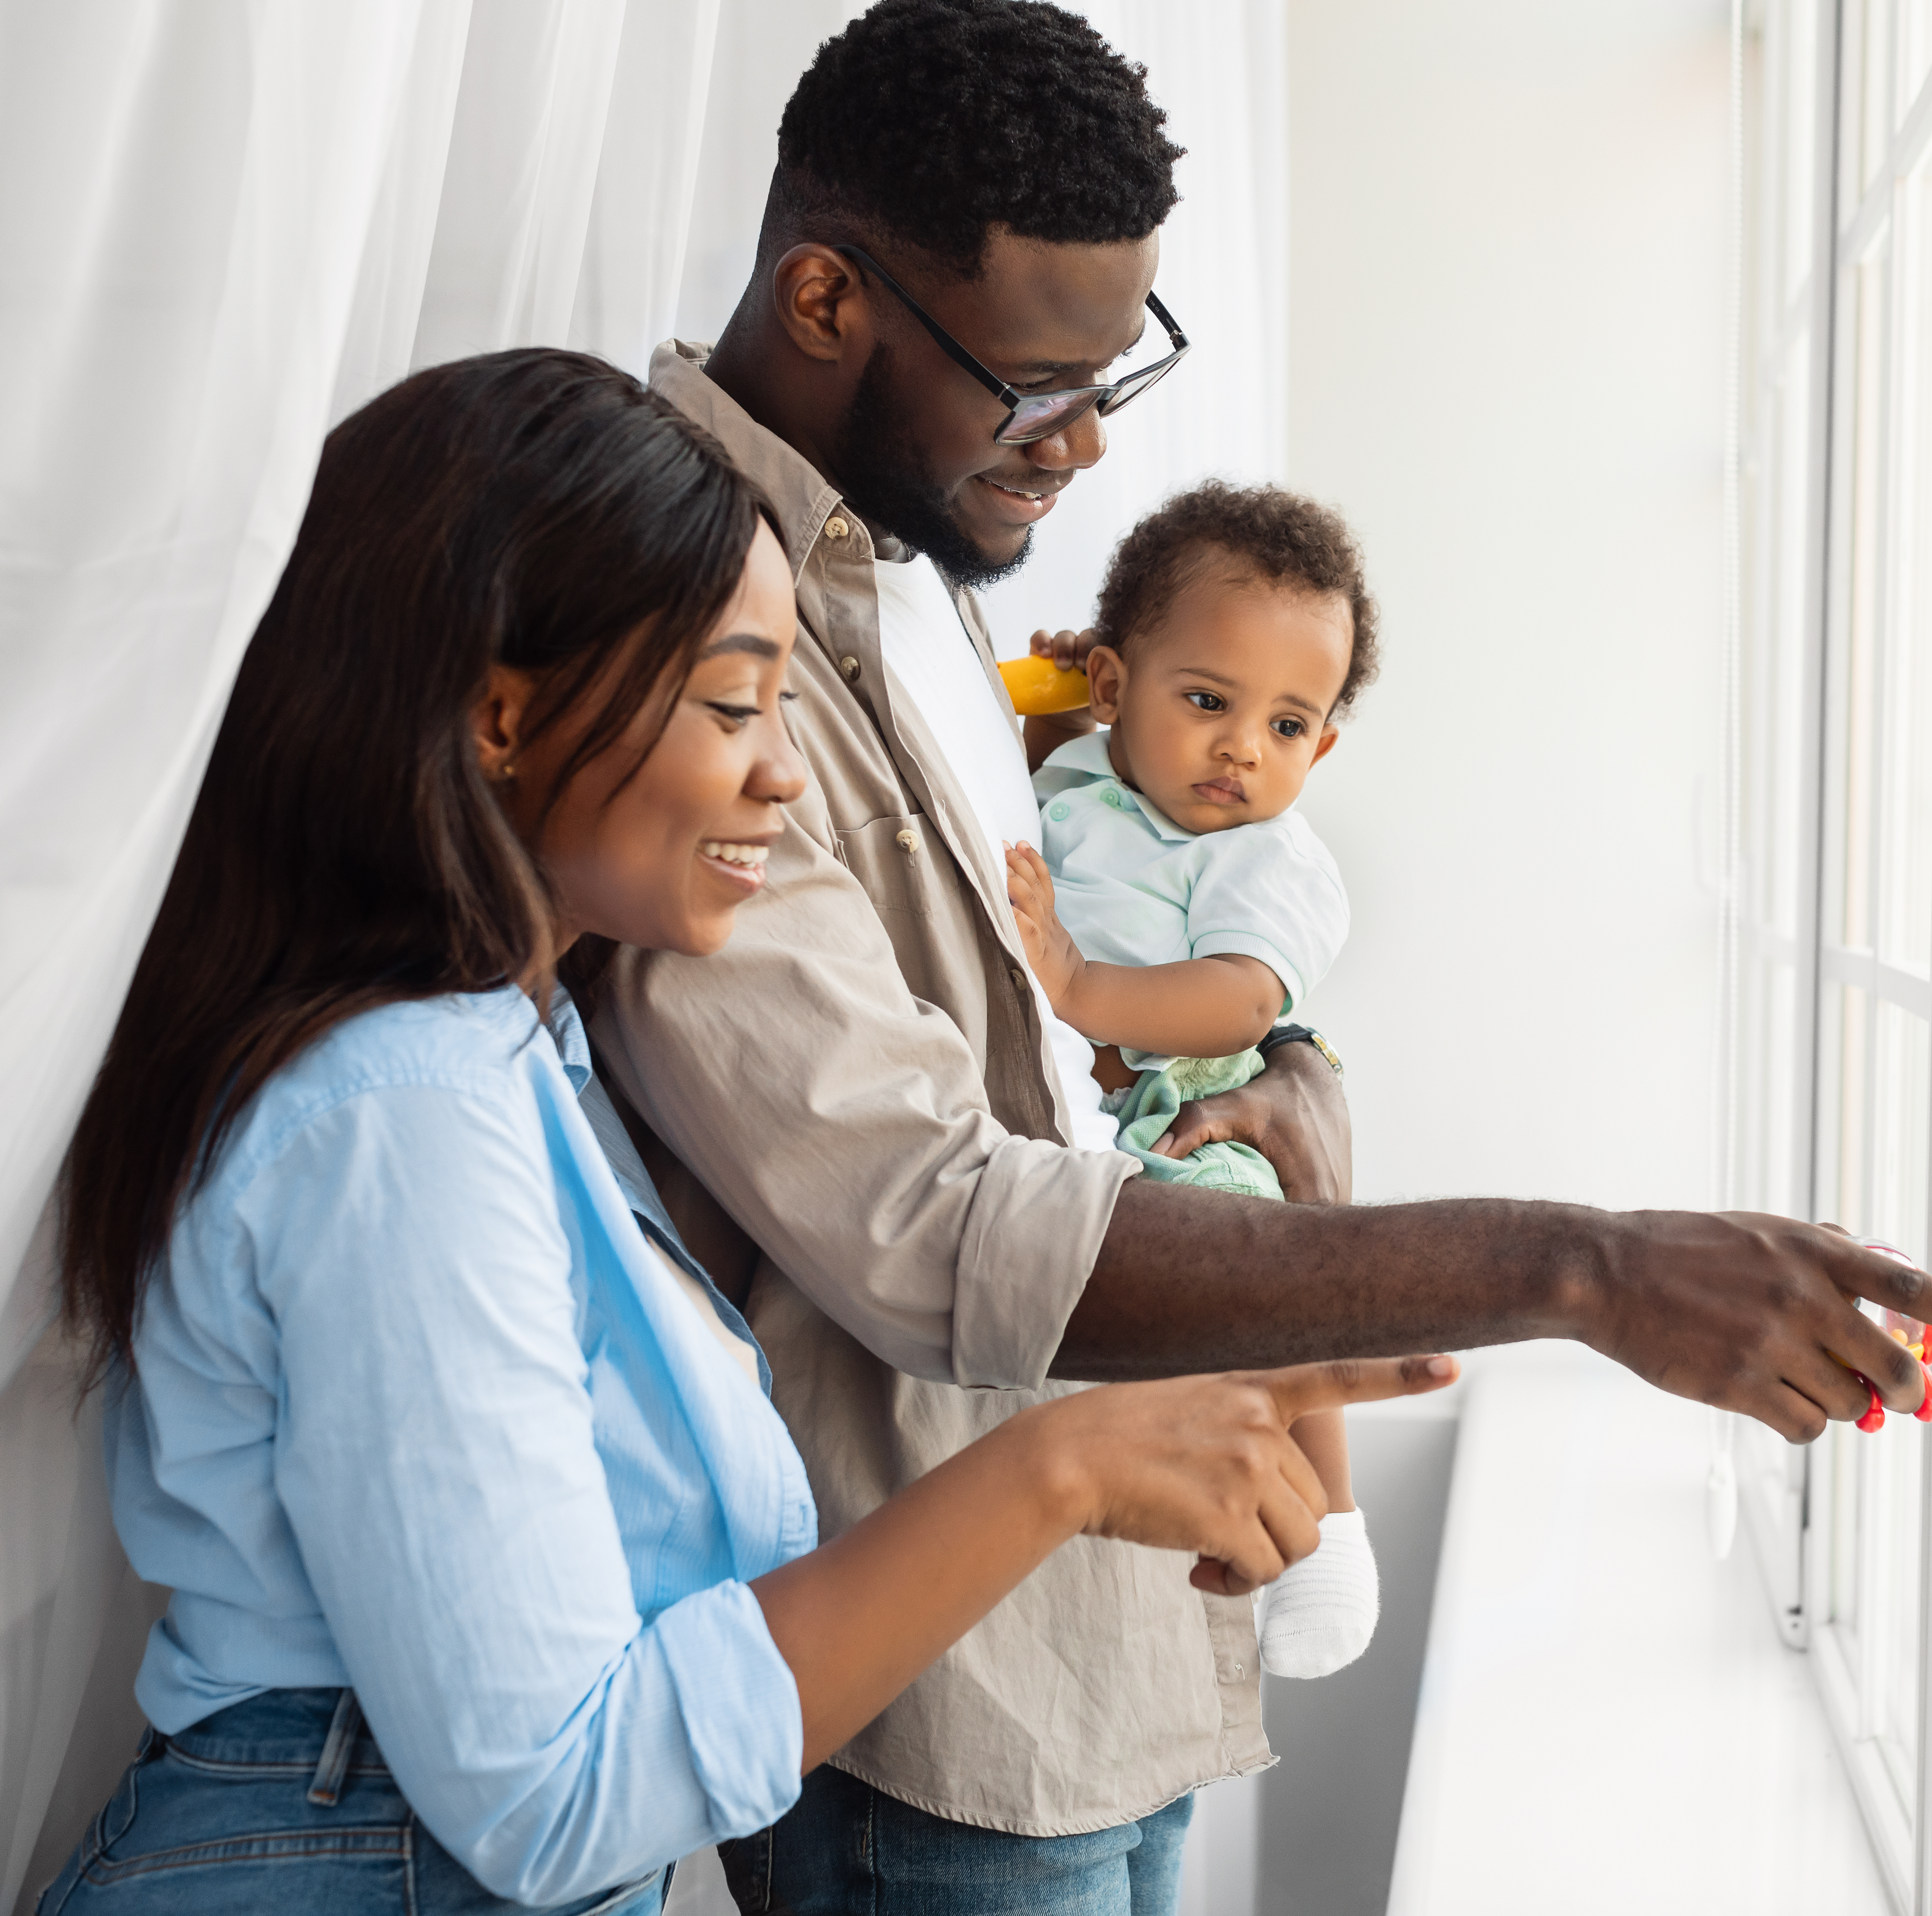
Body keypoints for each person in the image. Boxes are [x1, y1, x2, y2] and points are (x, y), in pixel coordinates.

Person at [594, 3, 1932, 1909]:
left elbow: (1079, 1040)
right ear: (831, 301)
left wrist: (1287, 1079)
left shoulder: (922, 577)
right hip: (939, 1713)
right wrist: (1580, 1266)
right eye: (1036, 383)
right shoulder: (677, 609)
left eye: (1123, 371)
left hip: (1110, 1644)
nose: (1090, 444)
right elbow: (930, 1220)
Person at [36, 348, 1447, 1916]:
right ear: (501, 718)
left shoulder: (517, 1057)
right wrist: (1060, 1469)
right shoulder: (403, 1124)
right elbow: (555, 1799)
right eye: (732, 703)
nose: (785, 774)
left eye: (786, 700)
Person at [1006, 482, 1383, 1681]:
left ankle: (1332, 1521)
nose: (1240, 750)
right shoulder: (1091, 771)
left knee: (1274, 1273)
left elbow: (1241, 1001)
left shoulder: (1265, 853)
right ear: (1116, 690)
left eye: (1286, 726)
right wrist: (1056, 703)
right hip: (1094, 1113)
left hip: (1202, 1098)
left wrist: (1075, 983)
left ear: (1320, 747)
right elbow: (1025, 786)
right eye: (1208, 701)